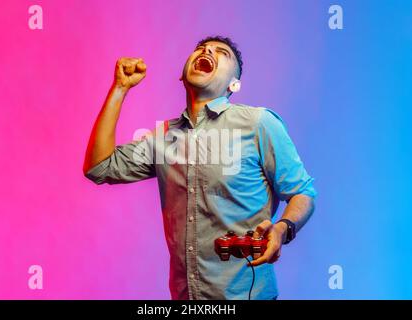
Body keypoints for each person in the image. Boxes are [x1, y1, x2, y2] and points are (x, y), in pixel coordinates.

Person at [83, 36, 316, 300]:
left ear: (234, 84)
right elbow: (99, 166)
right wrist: (120, 88)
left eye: (222, 53)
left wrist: (283, 228)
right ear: (182, 75)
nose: (207, 51)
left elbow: (303, 192)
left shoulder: (259, 123)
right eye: (201, 49)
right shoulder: (163, 138)